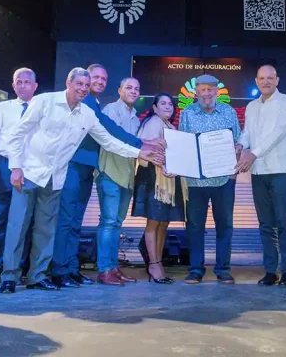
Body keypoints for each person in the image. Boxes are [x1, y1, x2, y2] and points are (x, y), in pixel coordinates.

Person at [0, 68, 165, 294]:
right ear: (69, 82)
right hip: (29, 172)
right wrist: (15, 167)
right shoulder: (44, 102)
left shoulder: (87, 113)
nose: (83, 89)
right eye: (80, 84)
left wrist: (139, 153)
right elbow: (17, 134)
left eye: (87, 86)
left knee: (46, 229)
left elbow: (108, 141)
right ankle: (9, 276)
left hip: (56, 177)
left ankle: (36, 276)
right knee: (18, 225)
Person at [52, 64, 159, 288]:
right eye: (95, 77)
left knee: (77, 222)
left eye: (103, 78)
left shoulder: (100, 105)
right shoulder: (97, 105)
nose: (99, 81)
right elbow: (110, 131)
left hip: (88, 168)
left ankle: (72, 269)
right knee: (69, 220)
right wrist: (142, 144)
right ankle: (61, 271)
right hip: (78, 165)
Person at [235, 65, 286, 287]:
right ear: (256, 81)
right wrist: (240, 144)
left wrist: (252, 153)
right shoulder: (251, 106)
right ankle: (270, 271)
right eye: (262, 78)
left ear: (277, 80)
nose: (266, 81)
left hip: (283, 170)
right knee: (265, 224)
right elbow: (248, 132)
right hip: (259, 171)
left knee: (284, 222)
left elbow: (278, 134)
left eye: (270, 78)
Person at [0, 67, 38, 289]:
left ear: (35, 86)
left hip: (29, 168)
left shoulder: (41, 109)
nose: (22, 85)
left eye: (27, 82)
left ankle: (15, 270)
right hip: (2, 167)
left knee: (22, 223)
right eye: (18, 82)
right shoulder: (2, 108)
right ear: (13, 86)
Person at [179, 74, 241, 285]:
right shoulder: (187, 113)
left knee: (225, 226)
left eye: (210, 89)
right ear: (196, 92)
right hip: (195, 181)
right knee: (195, 226)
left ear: (217, 91)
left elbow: (238, 141)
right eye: (202, 89)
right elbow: (183, 144)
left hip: (223, 180)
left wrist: (235, 164)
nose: (206, 93)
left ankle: (223, 269)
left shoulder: (229, 112)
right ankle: (196, 269)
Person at [132, 93, 186, 284]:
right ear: (154, 108)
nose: (167, 106)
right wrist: (163, 166)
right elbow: (144, 151)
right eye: (162, 103)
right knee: (154, 222)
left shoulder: (170, 127)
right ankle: (153, 264)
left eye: (170, 104)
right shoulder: (153, 123)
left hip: (169, 181)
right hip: (154, 180)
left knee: (164, 222)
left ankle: (158, 262)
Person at [95, 77, 142, 286]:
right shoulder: (110, 110)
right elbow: (114, 141)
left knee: (116, 223)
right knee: (108, 222)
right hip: (110, 173)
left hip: (127, 176)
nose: (133, 91)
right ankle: (105, 270)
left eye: (136, 89)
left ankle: (113, 268)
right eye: (129, 87)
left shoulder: (136, 118)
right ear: (119, 90)